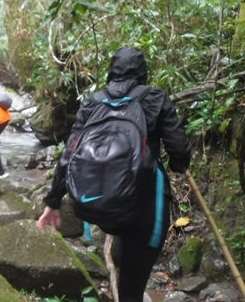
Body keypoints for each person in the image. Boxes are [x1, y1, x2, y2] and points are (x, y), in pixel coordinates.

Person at [37, 47, 192, 302]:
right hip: (144, 206)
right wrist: (176, 161)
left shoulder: (93, 101)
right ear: (143, 73)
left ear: (111, 72)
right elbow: (180, 157)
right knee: (135, 275)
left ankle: (122, 271)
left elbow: (70, 154)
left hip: (98, 202)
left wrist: (53, 200)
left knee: (122, 237)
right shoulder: (155, 98)